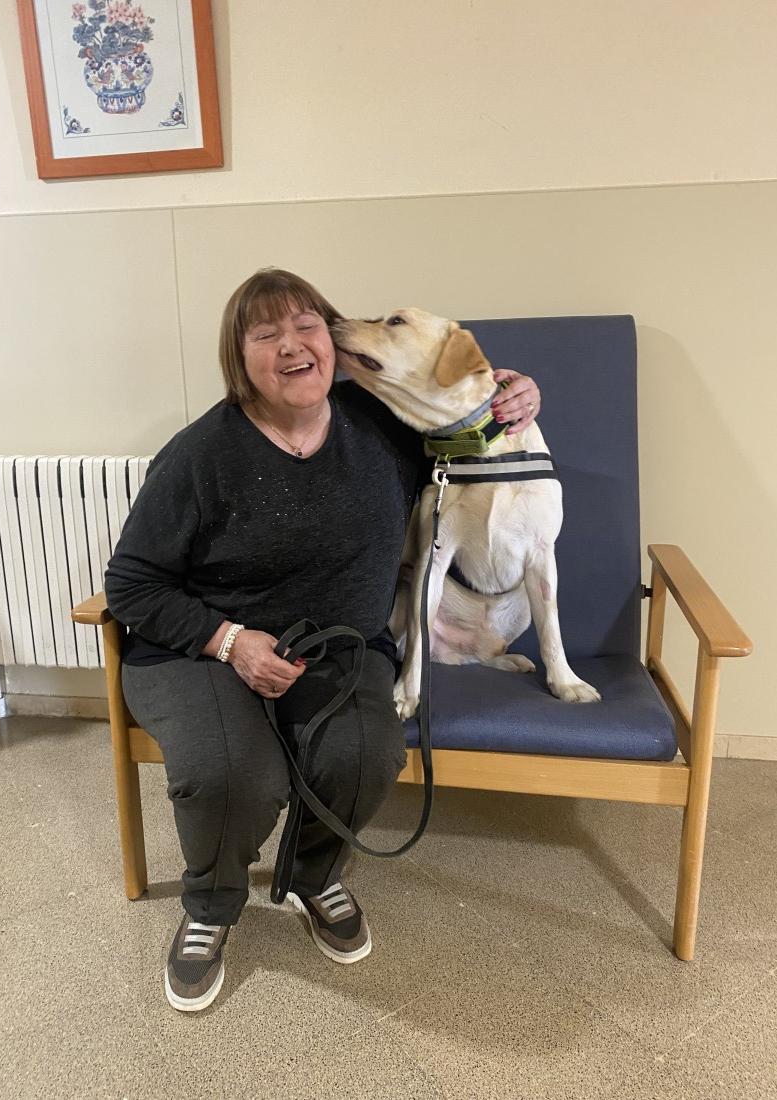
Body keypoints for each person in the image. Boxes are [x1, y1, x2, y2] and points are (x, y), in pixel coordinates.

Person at [105, 268, 541, 1012]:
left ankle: (313, 876)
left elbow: (471, 424)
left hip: (338, 646)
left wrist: (518, 396)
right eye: (265, 334)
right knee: (231, 774)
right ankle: (211, 904)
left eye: (307, 325)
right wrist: (230, 641)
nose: (291, 345)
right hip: (200, 649)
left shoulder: (384, 423)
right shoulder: (200, 455)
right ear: (238, 358)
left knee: (365, 755)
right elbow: (132, 585)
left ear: (335, 342)